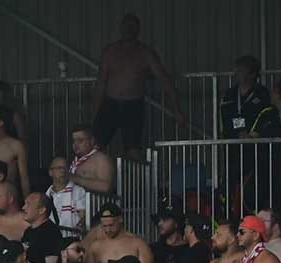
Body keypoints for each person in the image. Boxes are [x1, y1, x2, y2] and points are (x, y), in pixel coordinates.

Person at [91, 13, 183, 157]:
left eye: (132, 26)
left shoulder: (145, 53)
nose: (129, 29)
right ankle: (96, 177)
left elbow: (165, 80)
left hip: (133, 106)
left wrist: (177, 110)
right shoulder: (110, 52)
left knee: (133, 151)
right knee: (95, 146)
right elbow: (100, 84)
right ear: (121, 28)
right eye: (126, 25)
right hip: (110, 103)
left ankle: (132, 179)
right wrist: (95, 115)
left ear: (138, 29)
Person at [45, 157, 89, 235]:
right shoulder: (46, 195)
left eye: (66, 168)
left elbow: (83, 216)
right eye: (59, 168)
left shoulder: (78, 191)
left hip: (71, 239)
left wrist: (81, 224)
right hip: (51, 239)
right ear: (50, 172)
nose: (63, 171)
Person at [67, 125, 115, 194]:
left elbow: (106, 187)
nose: (75, 144)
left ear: (92, 141)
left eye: (80, 140)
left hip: (93, 203)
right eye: (74, 141)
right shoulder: (74, 161)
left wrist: (75, 179)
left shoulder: (101, 159)